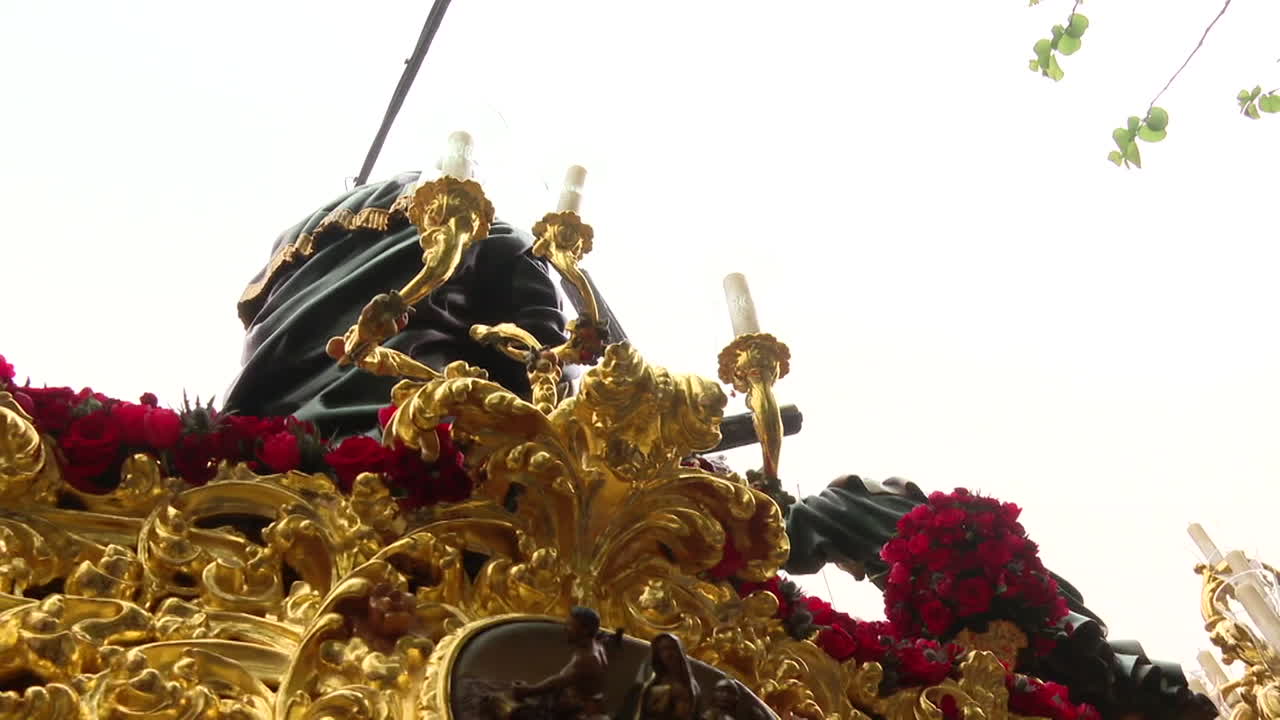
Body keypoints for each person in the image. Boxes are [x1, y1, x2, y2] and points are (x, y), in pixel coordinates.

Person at [223, 171, 570, 439]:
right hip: (407, 450)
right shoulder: (499, 239)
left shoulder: (293, 255)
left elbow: (255, 363)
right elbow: (550, 375)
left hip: (260, 466)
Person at [510, 606, 612, 720]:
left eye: (570, 625)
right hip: (588, 707)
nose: (565, 629)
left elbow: (556, 683)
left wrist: (527, 690)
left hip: (584, 715)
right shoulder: (596, 646)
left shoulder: (586, 660)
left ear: (585, 630)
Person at [635, 633, 699, 720]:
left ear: (679, 651)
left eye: (672, 648)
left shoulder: (690, 686)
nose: (668, 654)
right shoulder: (651, 683)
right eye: (663, 650)